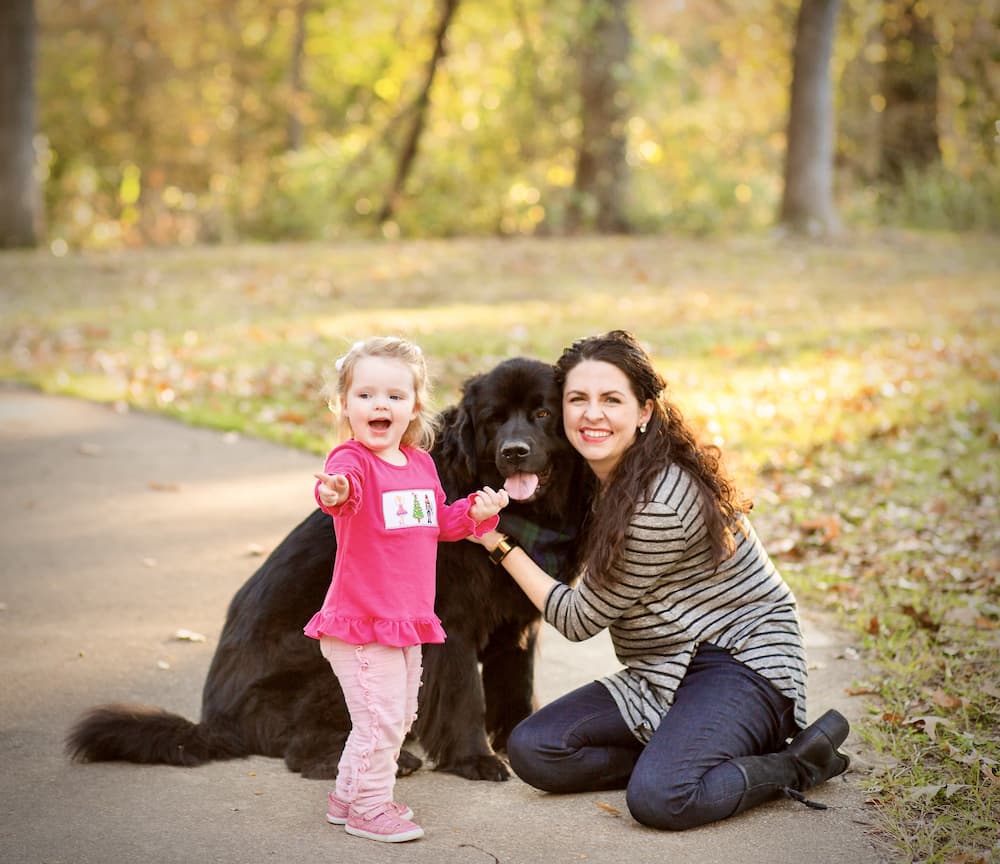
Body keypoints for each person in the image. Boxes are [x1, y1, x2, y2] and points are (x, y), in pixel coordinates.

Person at [474, 330, 850, 830]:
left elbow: (578, 618)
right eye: (577, 399)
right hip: (664, 668)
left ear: (645, 410)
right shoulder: (602, 471)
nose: (592, 414)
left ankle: (796, 762)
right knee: (533, 749)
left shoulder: (658, 506)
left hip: (743, 665)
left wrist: (494, 541)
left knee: (661, 799)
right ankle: (686, 751)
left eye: (612, 399)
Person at [305, 336, 509, 843]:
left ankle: (348, 795)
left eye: (395, 396)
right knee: (382, 721)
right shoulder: (351, 462)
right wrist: (334, 492)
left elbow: (438, 521)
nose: (380, 405)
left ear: (416, 406)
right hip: (361, 623)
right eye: (366, 395)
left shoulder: (420, 464)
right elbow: (339, 490)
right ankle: (370, 809)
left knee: (394, 717)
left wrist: (475, 515)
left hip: (405, 621)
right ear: (344, 404)